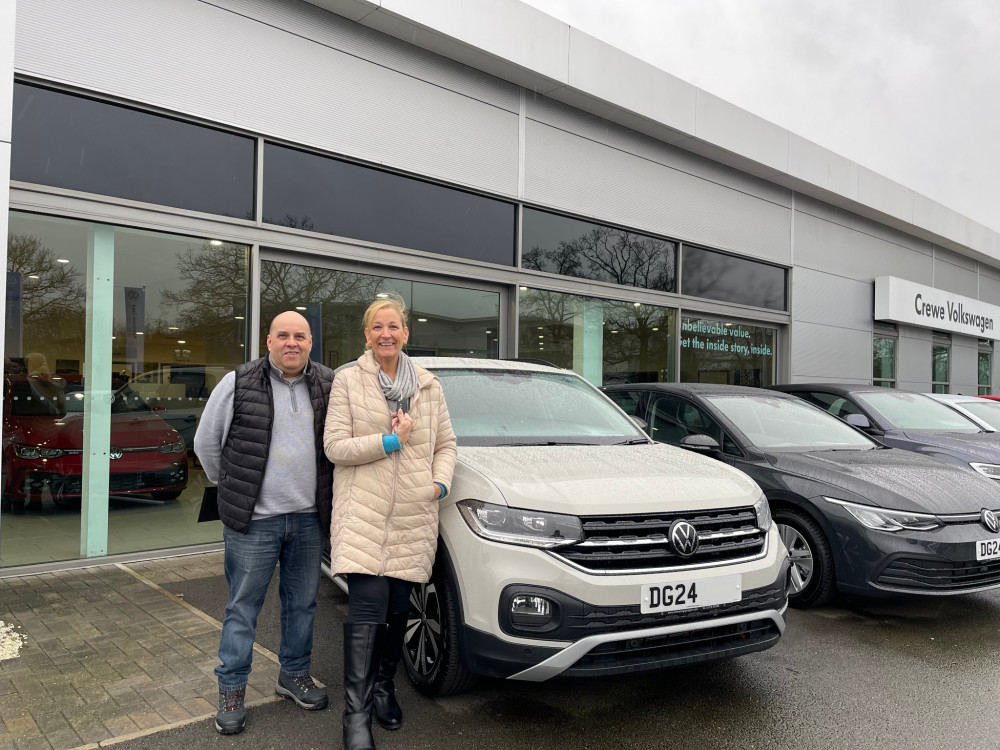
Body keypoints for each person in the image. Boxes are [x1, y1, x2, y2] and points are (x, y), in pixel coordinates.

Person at [323, 295, 457, 750]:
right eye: (377, 326)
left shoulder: (429, 386)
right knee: (367, 607)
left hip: (413, 515)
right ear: (367, 334)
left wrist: (438, 485)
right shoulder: (346, 382)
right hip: (363, 512)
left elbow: (447, 446)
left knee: (400, 607)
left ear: (405, 333)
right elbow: (335, 447)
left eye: (394, 326)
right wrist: (388, 441)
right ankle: (355, 716)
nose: (386, 334)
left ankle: (384, 687)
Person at [194, 311, 335, 735]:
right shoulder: (238, 382)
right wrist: (232, 486)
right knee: (242, 607)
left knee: (302, 602)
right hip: (256, 521)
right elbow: (205, 443)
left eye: (300, 336)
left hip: (309, 519)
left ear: (310, 342)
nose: (292, 343)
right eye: (283, 335)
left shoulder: (328, 383)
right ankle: (232, 688)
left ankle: (293, 675)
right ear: (268, 341)